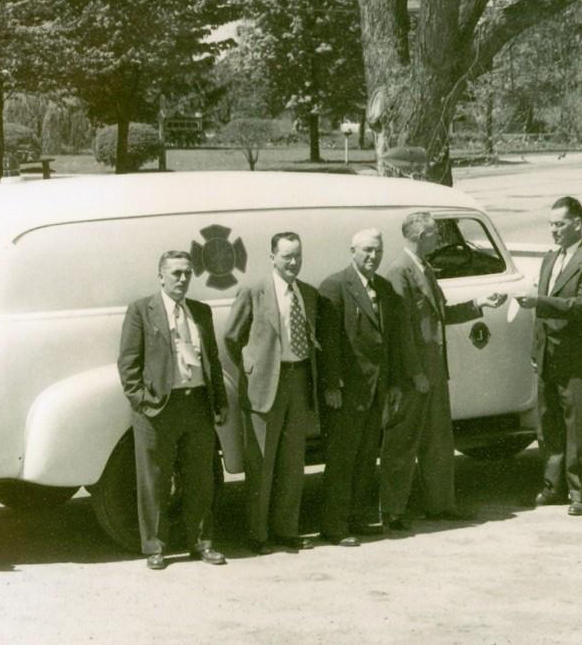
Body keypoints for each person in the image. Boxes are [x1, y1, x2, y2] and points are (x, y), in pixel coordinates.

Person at [379, 212, 506, 530]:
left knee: (438, 441)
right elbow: (401, 330)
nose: (439, 239)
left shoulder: (425, 269)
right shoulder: (399, 272)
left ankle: (441, 505)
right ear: (421, 237)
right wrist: (414, 373)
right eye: (435, 234)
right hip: (417, 374)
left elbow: (440, 313)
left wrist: (478, 303)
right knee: (403, 443)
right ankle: (393, 511)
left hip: (435, 371)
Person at [117, 250, 229, 570]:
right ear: (161, 276)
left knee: (200, 477)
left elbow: (213, 361)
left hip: (197, 404)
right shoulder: (142, 310)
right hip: (158, 409)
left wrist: (219, 402)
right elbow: (128, 364)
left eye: (187, 273)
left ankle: (202, 542)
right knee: (155, 479)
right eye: (176, 273)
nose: (182, 279)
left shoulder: (200, 311)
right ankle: (155, 546)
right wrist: (142, 402)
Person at [224, 232, 322, 554]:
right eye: (286, 257)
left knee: (293, 464)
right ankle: (258, 535)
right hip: (265, 386)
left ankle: (287, 530)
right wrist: (253, 368)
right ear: (272, 257)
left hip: (297, 381)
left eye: (298, 256)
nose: (293, 263)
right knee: (261, 464)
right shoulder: (254, 291)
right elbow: (231, 337)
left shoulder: (307, 293)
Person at [516, 197, 582, 516]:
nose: (553, 230)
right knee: (549, 426)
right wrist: (535, 349)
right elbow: (541, 315)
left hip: (578, 362)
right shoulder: (549, 258)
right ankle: (552, 486)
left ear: (577, 224)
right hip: (547, 358)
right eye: (551, 224)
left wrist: (540, 301)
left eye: (559, 224)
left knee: (579, 429)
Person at [317, 228, 405, 546]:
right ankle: (335, 526)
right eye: (366, 250)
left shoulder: (383, 288)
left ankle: (356, 517)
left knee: (367, 458)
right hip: (346, 391)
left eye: (377, 250)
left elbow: (389, 341)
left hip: (375, 389)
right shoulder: (336, 286)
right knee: (342, 459)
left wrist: (393, 383)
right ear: (352, 251)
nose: (373, 256)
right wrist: (332, 385)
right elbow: (328, 343)